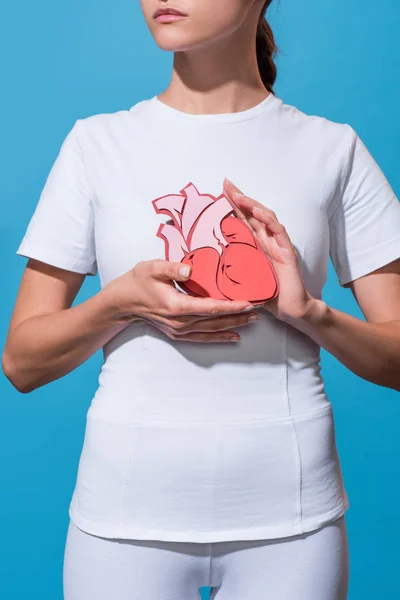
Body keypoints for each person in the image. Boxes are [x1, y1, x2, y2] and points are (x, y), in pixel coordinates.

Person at [3, 0, 400, 598]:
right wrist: (121, 302)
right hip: (122, 521)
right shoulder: (97, 145)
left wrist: (308, 313)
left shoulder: (332, 150)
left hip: (293, 526)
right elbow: (21, 363)